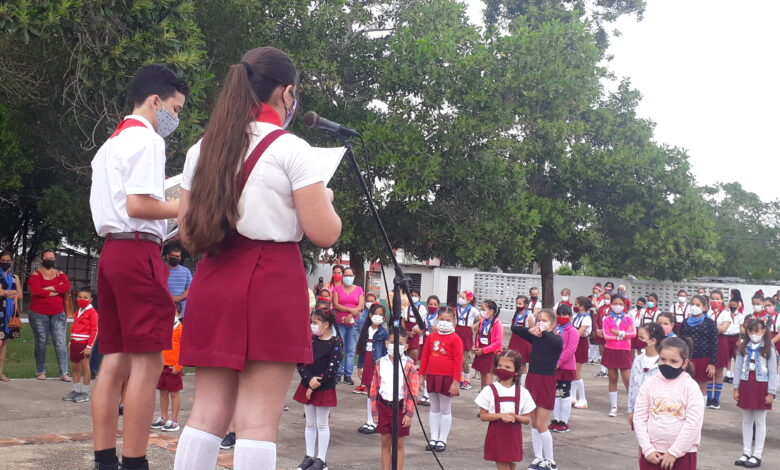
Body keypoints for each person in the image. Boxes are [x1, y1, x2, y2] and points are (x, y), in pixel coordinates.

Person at [173, 47, 341, 470]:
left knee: (206, 415)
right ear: (287, 93)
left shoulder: (203, 149)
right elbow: (324, 232)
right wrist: (328, 201)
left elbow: (189, 233)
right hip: (271, 280)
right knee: (257, 422)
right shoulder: (292, 148)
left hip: (214, 279)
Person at [89, 63, 188, 470]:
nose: (175, 117)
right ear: (155, 101)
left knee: (114, 358)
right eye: (176, 108)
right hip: (137, 252)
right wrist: (186, 207)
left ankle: (104, 459)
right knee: (148, 362)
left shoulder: (109, 145)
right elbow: (140, 204)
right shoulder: (147, 140)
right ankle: (135, 461)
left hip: (112, 252)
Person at [632, 337, 704, 470]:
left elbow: (693, 423)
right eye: (663, 359)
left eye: (673, 361)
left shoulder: (690, 387)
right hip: (652, 454)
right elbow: (639, 417)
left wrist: (674, 452)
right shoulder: (649, 383)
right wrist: (647, 449)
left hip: (683, 454)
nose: (667, 364)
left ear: (684, 363)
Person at [511, 308, 563, 470]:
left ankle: (550, 461)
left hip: (546, 381)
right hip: (532, 378)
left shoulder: (556, 339)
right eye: (539, 320)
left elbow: (553, 341)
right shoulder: (536, 337)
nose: (541, 323)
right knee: (533, 423)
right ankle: (538, 457)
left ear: (553, 324)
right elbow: (514, 328)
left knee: (541, 424)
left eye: (545, 321)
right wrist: (531, 330)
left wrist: (541, 331)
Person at [292, 309, 343, 470]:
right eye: (311, 322)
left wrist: (315, 384)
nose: (312, 326)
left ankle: (321, 459)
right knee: (309, 423)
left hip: (324, 387)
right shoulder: (311, 340)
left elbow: (332, 368)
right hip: (308, 383)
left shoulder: (335, 342)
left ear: (326, 324)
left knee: (322, 424)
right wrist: (309, 380)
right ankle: (309, 456)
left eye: (315, 323)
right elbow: (300, 362)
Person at [474, 350, 535, 470]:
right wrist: (502, 415)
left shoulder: (523, 392)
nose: (503, 369)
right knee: (502, 465)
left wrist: (515, 417)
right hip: (496, 435)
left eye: (508, 367)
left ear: (516, 371)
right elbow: (483, 416)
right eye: (500, 366)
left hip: (514, 436)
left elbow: (527, 419)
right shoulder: (489, 390)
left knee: (511, 465)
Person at [370, 327, 419, 470]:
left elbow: (413, 391)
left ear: (406, 346)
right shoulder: (380, 363)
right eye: (392, 342)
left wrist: (409, 413)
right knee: (385, 442)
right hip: (384, 406)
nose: (395, 346)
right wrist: (375, 411)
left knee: (399, 444)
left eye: (400, 343)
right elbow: (374, 388)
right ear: (386, 343)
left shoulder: (409, 365)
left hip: (401, 408)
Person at [733, 318, 778, 468]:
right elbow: (738, 369)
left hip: (761, 386)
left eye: (757, 331)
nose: (754, 334)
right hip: (746, 384)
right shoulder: (743, 347)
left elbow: (773, 372)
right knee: (746, 420)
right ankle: (746, 452)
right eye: (751, 331)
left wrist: (771, 392)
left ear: (764, 331)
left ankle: (757, 455)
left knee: (759, 421)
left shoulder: (768, 348)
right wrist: (736, 387)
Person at [418, 307, 463, 452]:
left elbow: (458, 362)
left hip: (447, 378)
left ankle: (442, 439)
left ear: (454, 322)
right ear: (437, 320)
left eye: (448, 320)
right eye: (442, 319)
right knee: (434, 408)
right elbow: (424, 357)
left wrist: (456, 382)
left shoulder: (456, 339)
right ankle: (433, 438)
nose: (444, 322)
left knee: (445, 409)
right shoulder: (431, 337)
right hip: (432, 376)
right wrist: (421, 376)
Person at [27, 249, 71, 382]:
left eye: (52, 258)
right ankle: (41, 371)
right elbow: (35, 291)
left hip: (58, 313)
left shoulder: (60, 273)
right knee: (41, 342)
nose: (49, 260)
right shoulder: (35, 275)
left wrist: (48, 288)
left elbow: (66, 287)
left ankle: (64, 372)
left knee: (60, 342)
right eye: (47, 258)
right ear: (41, 259)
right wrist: (56, 288)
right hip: (38, 314)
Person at [601, 295, 636, 417]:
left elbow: (633, 333)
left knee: (627, 379)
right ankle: (614, 406)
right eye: (615, 303)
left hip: (624, 350)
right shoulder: (606, 319)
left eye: (620, 304)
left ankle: (632, 406)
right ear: (611, 304)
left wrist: (618, 333)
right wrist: (622, 335)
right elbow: (607, 335)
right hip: (611, 350)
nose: (618, 306)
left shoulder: (628, 318)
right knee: (612, 378)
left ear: (624, 305)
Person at [355, 304, 388, 431]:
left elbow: (385, 352)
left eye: (381, 314)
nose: (378, 317)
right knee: (369, 392)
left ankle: (376, 421)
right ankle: (369, 420)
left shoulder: (383, 332)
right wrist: (360, 366)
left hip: (378, 364)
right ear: (370, 315)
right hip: (368, 361)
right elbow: (362, 350)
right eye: (376, 314)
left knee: (376, 392)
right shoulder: (366, 330)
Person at [63, 288, 99, 403]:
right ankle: (76, 390)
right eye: (79, 297)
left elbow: (94, 330)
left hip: (84, 344)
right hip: (75, 343)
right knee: (75, 368)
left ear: (91, 299)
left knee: (85, 368)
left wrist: (88, 347)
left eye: (85, 297)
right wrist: (70, 342)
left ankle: (85, 392)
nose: (82, 299)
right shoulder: (78, 310)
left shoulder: (92, 312)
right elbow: (74, 327)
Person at [627, 323, 665, 428]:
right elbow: (632, 385)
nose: (637, 340)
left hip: (656, 411)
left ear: (652, 341)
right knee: (640, 440)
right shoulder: (638, 359)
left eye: (641, 338)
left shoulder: (663, 361)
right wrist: (630, 409)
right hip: (638, 409)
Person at [678, 295, 717, 398]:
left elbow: (714, 343)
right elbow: (680, 341)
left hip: (703, 359)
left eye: (698, 305)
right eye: (692, 304)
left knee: (701, 387)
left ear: (704, 307)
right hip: (687, 359)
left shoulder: (709, 323)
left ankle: (700, 411)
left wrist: (712, 363)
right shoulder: (685, 322)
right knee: (684, 386)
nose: (694, 307)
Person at [331, 266, 364, 385]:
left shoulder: (359, 289)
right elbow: (335, 304)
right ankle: (338, 373)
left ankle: (348, 375)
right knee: (339, 348)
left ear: (354, 277)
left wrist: (350, 315)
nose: (348, 277)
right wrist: (351, 310)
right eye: (346, 275)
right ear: (342, 276)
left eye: (350, 275)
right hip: (340, 324)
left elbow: (361, 305)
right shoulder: (337, 289)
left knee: (350, 350)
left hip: (353, 324)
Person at [151, 316, 184, 433]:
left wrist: (179, 366)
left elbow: (184, 348)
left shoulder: (180, 328)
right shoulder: (162, 328)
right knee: (163, 392)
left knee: (174, 393)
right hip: (162, 365)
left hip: (173, 367)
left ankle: (174, 420)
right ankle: (164, 417)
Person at [549, 304, 578, 433]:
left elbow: (570, 349)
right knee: (556, 394)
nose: (561, 317)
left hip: (565, 367)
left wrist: (559, 361)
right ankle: (556, 419)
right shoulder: (556, 329)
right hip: (554, 366)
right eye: (559, 314)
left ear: (570, 317)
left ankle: (564, 421)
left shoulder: (572, 331)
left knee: (564, 394)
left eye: (565, 314)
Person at [708, 289, 731, 409]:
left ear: (722, 300)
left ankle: (716, 399)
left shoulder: (725, 313)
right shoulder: (706, 312)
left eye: (717, 298)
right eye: (713, 298)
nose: (715, 301)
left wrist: (708, 330)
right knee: (707, 371)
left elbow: (722, 328)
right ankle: (708, 397)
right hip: (707, 342)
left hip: (720, 342)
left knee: (718, 372)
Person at [0, 251, 22, 381]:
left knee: (4, 343)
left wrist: (6, 292)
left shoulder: (15, 277)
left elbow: (20, 295)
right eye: (3, 260)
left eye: (8, 261)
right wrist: (11, 292)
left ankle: (0, 372)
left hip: (10, 312)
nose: (5, 263)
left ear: (12, 262)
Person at [472, 300, 504, 389]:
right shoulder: (482, 322)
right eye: (481, 309)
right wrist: (476, 347)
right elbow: (478, 335)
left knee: (488, 374)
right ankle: (483, 391)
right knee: (482, 373)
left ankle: (489, 394)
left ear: (491, 311)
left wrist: (483, 350)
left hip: (491, 352)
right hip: (481, 351)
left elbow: (498, 343)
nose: (481, 311)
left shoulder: (497, 324)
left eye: (483, 309)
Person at [418, 295, 441, 406]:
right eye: (430, 304)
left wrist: (437, 329)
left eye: (435, 304)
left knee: (432, 367)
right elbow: (419, 327)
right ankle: (425, 395)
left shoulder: (439, 317)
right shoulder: (424, 315)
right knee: (425, 367)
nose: (432, 306)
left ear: (438, 306)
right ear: (427, 305)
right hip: (425, 341)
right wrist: (417, 330)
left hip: (435, 343)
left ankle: (432, 395)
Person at [570, 297, 592, 409]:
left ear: (582, 306)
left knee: (577, 372)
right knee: (573, 371)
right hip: (575, 342)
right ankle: (573, 396)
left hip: (581, 344)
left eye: (576, 304)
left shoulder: (587, 318)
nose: (575, 306)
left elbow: (579, 333)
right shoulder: (576, 317)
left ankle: (583, 398)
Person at [507, 295, 535, 381]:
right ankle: (513, 380)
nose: (518, 305)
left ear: (526, 305)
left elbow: (532, 330)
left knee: (523, 363)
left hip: (524, 342)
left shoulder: (529, 316)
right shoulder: (516, 314)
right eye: (517, 303)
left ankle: (522, 383)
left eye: (520, 304)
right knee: (513, 361)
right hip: (514, 340)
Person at [455, 290, 478, 390]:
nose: (460, 299)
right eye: (460, 297)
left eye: (463, 298)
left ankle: (467, 380)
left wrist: (473, 326)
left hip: (467, 332)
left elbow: (482, 319)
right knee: (458, 357)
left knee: (465, 359)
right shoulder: (457, 309)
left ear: (469, 300)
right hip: (457, 331)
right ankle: (460, 378)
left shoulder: (472, 310)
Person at [354, 292, 377, 383]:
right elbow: (356, 328)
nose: (370, 303)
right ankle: (362, 381)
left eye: (372, 301)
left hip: (373, 343)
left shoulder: (377, 315)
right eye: (368, 301)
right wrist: (358, 339)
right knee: (362, 359)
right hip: (363, 341)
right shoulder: (361, 314)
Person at [165, 246, 192, 317]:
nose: (175, 258)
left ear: (180, 258)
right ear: (168, 256)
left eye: (177, 256)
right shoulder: (161, 270)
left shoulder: (186, 271)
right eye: (173, 256)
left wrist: (177, 298)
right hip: (164, 310)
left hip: (181, 313)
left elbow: (190, 289)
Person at [403, 289, 427, 363]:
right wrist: (406, 332)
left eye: (415, 296)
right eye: (412, 295)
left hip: (417, 331)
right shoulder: (407, 308)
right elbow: (403, 320)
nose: (414, 297)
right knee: (406, 350)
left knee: (415, 351)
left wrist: (414, 331)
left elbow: (423, 321)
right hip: (407, 330)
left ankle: (413, 366)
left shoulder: (422, 308)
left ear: (419, 297)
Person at [593, 291, 612, 378]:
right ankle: (602, 370)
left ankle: (610, 370)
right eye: (605, 298)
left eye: (608, 298)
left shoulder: (613, 309)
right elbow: (596, 320)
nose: (606, 300)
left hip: (610, 333)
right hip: (600, 333)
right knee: (602, 352)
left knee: (610, 352)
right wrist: (597, 329)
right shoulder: (600, 308)